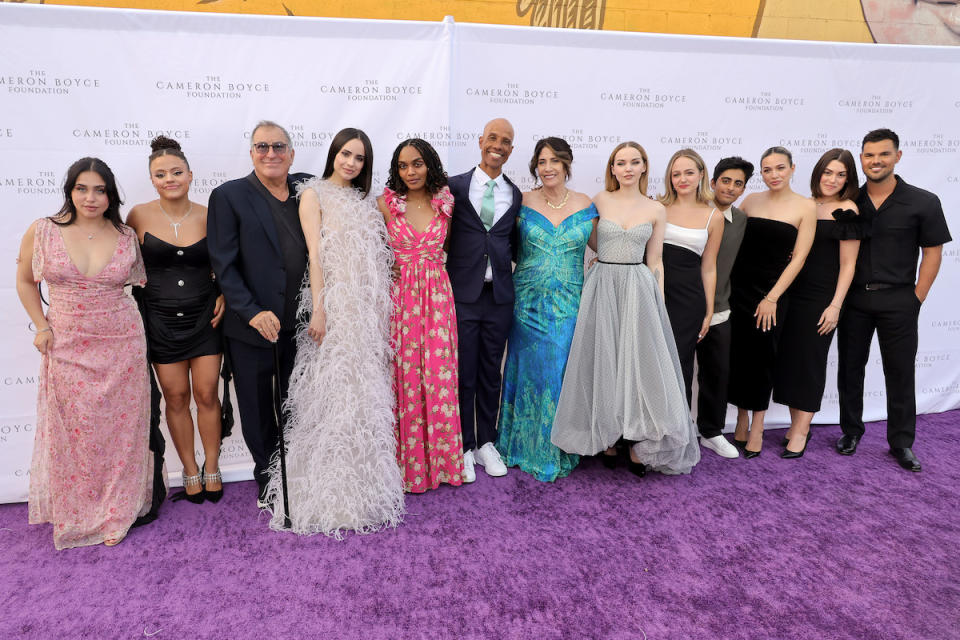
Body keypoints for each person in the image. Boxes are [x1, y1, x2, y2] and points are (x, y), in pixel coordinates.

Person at [263, 128, 404, 536]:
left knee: (363, 395)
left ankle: (365, 488)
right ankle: (328, 494)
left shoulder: (365, 201)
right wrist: (320, 310)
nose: (351, 163)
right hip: (335, 308)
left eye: (359, 158)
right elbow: (314, 256)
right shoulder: (313, 194)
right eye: (346, 154)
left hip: (366, 313)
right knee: (333, 396)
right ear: (333, 154)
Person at [15, 158, 154, 549]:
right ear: (69, 190)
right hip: (67, 343)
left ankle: (116, 510)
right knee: (72, 430)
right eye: (82, 188)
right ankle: (77, 510)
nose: (90, 197)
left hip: (121, 342)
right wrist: (41, 325)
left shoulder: (126, 236)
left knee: (120, 432)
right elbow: (25, 281)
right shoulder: (42, 231)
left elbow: (141, 284)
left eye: (99, 189)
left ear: (111, 194)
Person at [551, 141, 700, 476]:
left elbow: (657, 260)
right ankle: (607, 436)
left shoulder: (655, 208)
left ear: (644, 167)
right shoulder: (599, 201)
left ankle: (635, 440)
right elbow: (589, 240)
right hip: (603, 284)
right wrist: (601, 260)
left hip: (638, 288)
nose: (628, 168)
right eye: (621, 163)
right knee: (604, 359)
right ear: (613, 169)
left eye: (635, 162)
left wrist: (657, 305)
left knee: (635, 364)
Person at [207, 121, 311, 507]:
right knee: (257, 409)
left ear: (292, 154)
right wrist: (251, 312)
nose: (271, 153)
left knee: (297, 403)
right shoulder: (229, 196)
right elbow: (224, 265)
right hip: (252, 328)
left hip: (300, 326)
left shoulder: (306, 189)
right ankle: (269, 482)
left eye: (279, 146)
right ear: (251, 152)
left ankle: (296, 473)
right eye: (262, 146)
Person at [836, 128, 951, 472]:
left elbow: (933, 252)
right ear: (861, 159)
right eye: (869, 155)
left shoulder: (923, 201)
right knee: (849, 369)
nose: (876, 161)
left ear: (897, 157)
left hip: (900, 300)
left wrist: (917, 297)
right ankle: (851, 432)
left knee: (900, 373)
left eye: (883, 154)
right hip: (854, 300)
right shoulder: (849, 202)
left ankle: (901, 442)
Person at [127, 136, 226, 503]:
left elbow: (226, 263)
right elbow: (121, 258)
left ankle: (211, 464)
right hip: (160, 321)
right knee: (176, 396)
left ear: (189, 174)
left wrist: (226, 295)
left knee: (206, 394)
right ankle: (188, 468)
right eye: (160, 174)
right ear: (152, 179)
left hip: (206, 318)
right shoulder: (137, 215)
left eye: (176, 172)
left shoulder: (208, 213)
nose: (169, 178)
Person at [496, 137, 597, 482]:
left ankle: (556, 447)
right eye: (541, 162)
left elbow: (603, 246)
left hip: (570, 301)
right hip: (526, 302)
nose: (548, 167)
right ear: (535, 168)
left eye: (554, 160)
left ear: (566, 164)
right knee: (526, 370)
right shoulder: (522, 202)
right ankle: (518, 445)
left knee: (559, 373)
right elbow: (502, 244)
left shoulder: (586, 203)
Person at [377, 138, 465, 493]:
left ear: (430, 164)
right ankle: (407, 468)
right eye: (402, 165)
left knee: (439, 379)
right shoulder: (385, 205)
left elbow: (450, 248)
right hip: (401, 301)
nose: (410, 171)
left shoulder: (446, 203)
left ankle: (443, 465)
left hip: (438, 298)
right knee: (406, 378)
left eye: (417, 163)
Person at [772, 149, 865, 458]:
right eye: (828, 173)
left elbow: (849, 265)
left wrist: (835, 305)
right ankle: (793, 424)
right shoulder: (806, 204)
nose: (833, 180)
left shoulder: (847, 210)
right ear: (817, 173)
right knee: (790, 362)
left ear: (849, 179)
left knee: (810, 363)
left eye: (841, 175)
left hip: (821, 298)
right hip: (792, 294)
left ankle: (801, 430)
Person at [446, 118, 522, 483]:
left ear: (511, 149)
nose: (499, 145)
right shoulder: (453, 188)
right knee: (464, 373)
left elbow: (513, 244)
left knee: (492, 371)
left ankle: (486, 442)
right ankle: (463, 444)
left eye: (506, 141)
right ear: (480, 142)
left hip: (500, 297)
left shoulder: (515, 193)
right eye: (493, 138)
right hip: (462, 295)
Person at [728, 146, 816, 458]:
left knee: (763, 360)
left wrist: (772, 298)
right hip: (738, 288)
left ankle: (758, 428)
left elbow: (800, 258)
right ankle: (740, 419)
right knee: (738, 356)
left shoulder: (806, 207)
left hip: (772, 294)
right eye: (767, 170)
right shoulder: (750, 200)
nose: (773, 175)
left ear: (793, 168)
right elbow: (728, 232)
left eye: (780, 168)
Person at [694, 157, 754, 459]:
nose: (730, 188)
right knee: (674, 374)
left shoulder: (741, 220)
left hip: (719, 309)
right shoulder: (689, 212)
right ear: (713, 181)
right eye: (726, 180)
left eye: (738, 183)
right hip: (679, 307)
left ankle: (712, 431)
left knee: (717, 374)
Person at [658, 149, 723, 406]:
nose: (682, 179)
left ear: (701, 175)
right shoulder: (657, 207)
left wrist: (708, 310)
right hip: (654, 293)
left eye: (688, 173)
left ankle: (676, 436)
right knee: (650, 363)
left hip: (688, 302)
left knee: (679, 364)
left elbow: (709, 267)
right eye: (676, 174)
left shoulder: (713, 216)